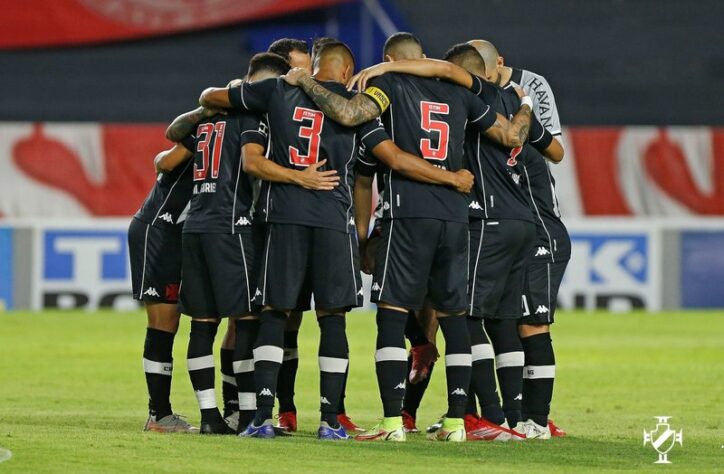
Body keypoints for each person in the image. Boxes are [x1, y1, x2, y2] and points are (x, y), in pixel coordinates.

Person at [200, 39, 473, 441]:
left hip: (283, 219)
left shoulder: (278, 90)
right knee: (333, 319)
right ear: (347, 71)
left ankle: (261, 416)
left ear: (314, 67)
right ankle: (330, 420)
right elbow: (384, 150)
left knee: (275, 314)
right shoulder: (361, 107)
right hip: (334, 223)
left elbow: (211, 96)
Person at [283, 32, 533, 442]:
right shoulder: (460, 93)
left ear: (387, 59)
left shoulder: (386, 85)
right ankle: (456, 422)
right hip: (455, 219)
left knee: (393, 313)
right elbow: (510, 137)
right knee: (454, 317)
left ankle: (393, 423)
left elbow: (349, 114)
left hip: (409, 214)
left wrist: (303, 80)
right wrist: (525, 105)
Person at [164, 53, 291, 435]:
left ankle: (209, 417)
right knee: (248, 320)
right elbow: (252, 165)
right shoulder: (252, 119)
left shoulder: (208, 121)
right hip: (231, 228)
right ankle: (251, 415)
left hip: (195, 226)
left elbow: (170, 150)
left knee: (202, 325)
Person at [469, 39, 569, 439]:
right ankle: (513, 417)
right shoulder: (482, 113)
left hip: (542, 231)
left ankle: (538, 420)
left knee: (533, 326)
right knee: (506, 322)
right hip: (516, 230)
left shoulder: (516, 112)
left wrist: (525, 115)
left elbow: (556, 151)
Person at [128, 136, 199, 433]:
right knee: (163, 323)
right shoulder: (204, 128)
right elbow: (164, 161)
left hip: (184, 235)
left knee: (177, 321)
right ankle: (158, 414)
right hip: (159, 230)